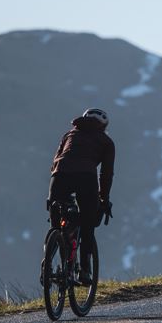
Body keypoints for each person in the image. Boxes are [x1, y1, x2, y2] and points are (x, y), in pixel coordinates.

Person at [48, 108, 115, 283]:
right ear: (104, 126)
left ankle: (48, 264)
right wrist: (104, 199)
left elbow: (56, 160)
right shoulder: (106, 142)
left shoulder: (69, 135)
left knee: (56, 224)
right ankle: (84, 271)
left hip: (59, 176)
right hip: (86, 178)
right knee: (87, 223)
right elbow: (106, 174)